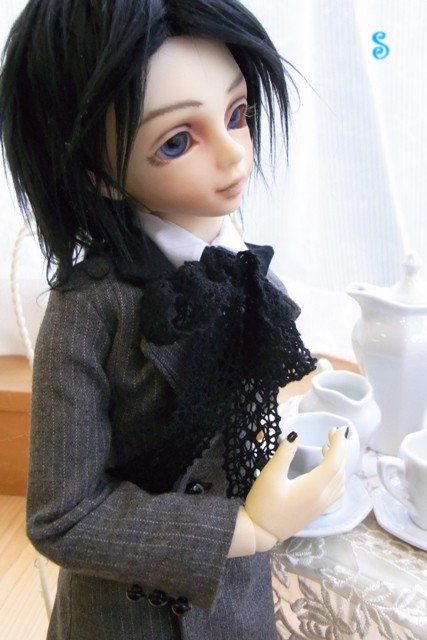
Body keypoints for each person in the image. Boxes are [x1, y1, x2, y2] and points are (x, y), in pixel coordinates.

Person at [0, 1, 348, 638]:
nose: (233, 154)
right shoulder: (89, 311)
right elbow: (60, 517)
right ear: (98, 174)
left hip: (236, 610)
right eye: (177, 141)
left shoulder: (255, 278)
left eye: (238, 113)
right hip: (123, 617)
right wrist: (244, 529)